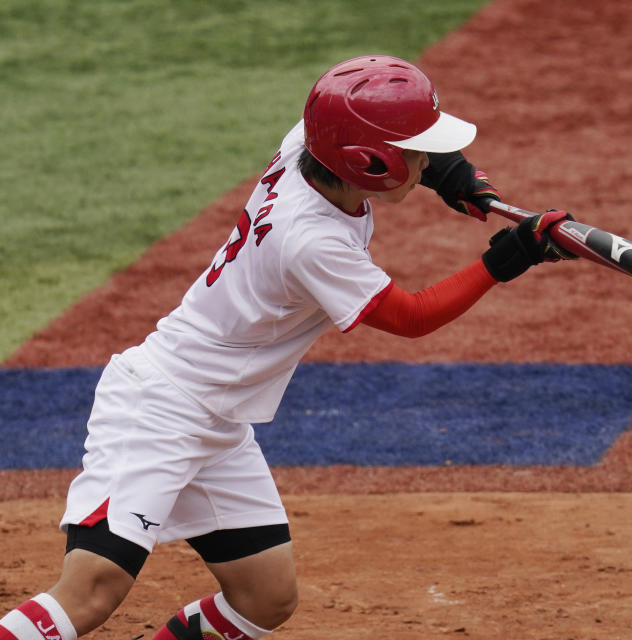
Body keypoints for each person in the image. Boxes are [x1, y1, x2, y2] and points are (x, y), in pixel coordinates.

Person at [0, 55, 574, 640]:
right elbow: (412, 317)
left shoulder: (311, 142)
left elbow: (368, 132)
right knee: (92, 593)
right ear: (368, 163)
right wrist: (508, 258)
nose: (425, 160)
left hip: (219, 423)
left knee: (264, 599)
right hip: (160, 408)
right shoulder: (312, 241)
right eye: (418, 153)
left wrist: (458, 178)